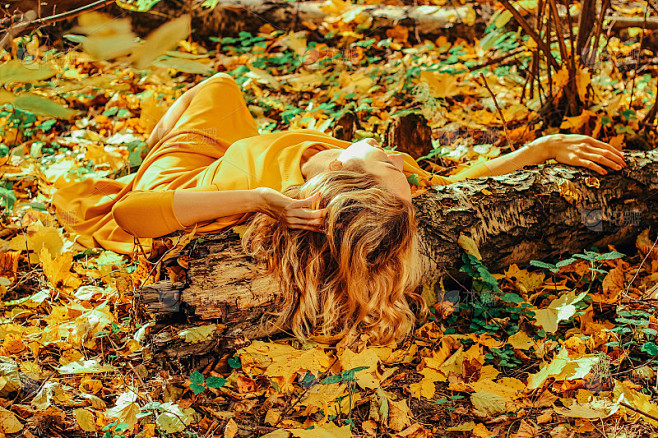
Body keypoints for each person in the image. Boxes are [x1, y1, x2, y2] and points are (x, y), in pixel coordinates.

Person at [53, 73, 626, 345]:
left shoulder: (274, 188)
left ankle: (150, 147)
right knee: (225, 87)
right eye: (398, 169)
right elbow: (456, 182)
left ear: (342, 174)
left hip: (190, 172)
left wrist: (256, 198)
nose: (402, 162)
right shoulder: (372, 188)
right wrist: (536, 150)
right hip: (241, 148)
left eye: (389, 167)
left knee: (218, 89)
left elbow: (132, 214)